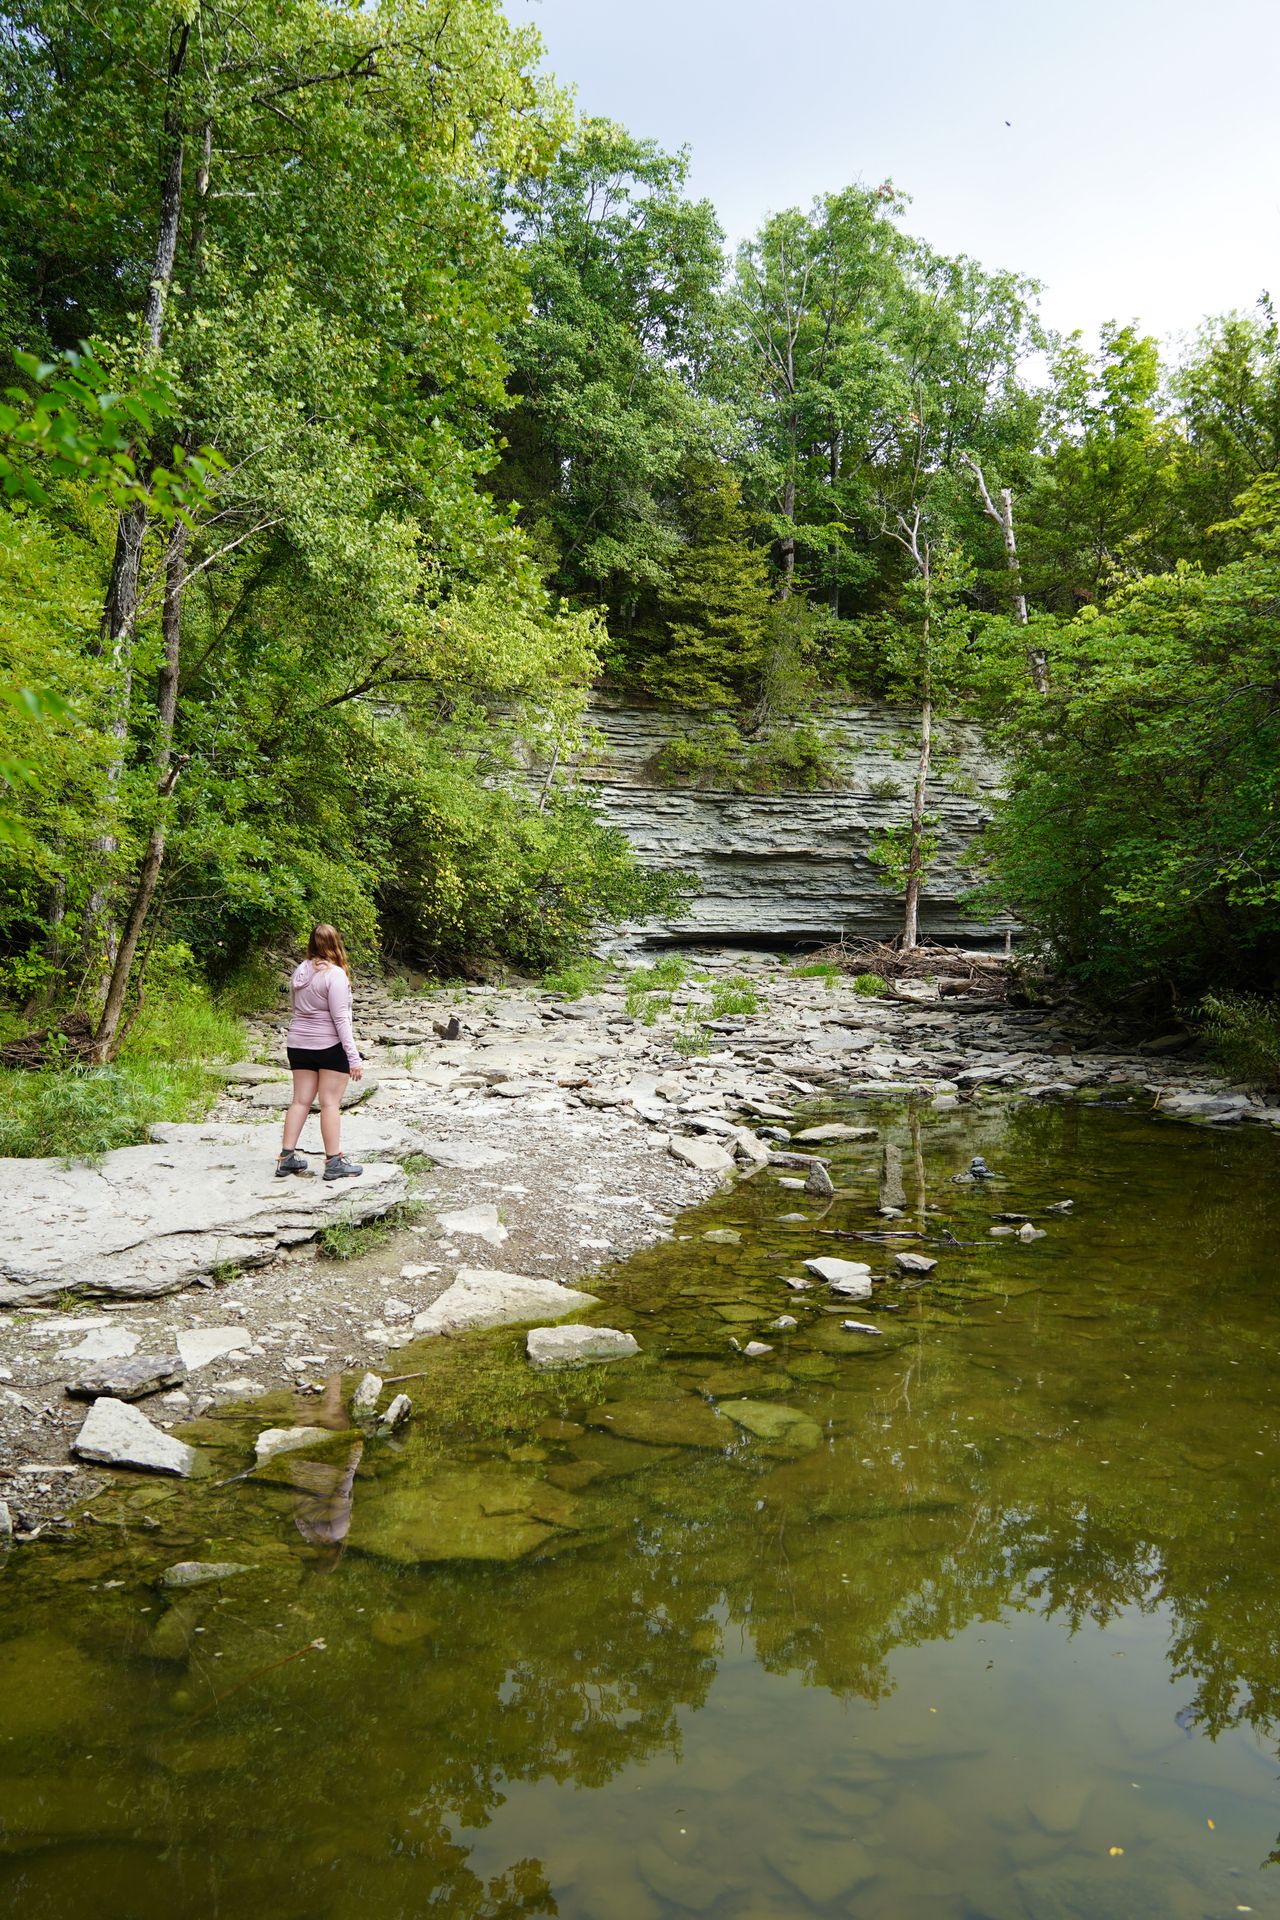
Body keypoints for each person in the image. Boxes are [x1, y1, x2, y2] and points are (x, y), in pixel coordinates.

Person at [276, 923, 364, 1181]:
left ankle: (286, 1158)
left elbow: (295, 1007)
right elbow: (340, 1019)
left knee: (300, 1101)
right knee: (330, 1104)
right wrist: (353, 1057)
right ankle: (334, 1161)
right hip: (328, 1045)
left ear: (311, 944)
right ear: (336, 943)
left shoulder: (300, 971)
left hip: (298, 1044)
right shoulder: (335, 975)